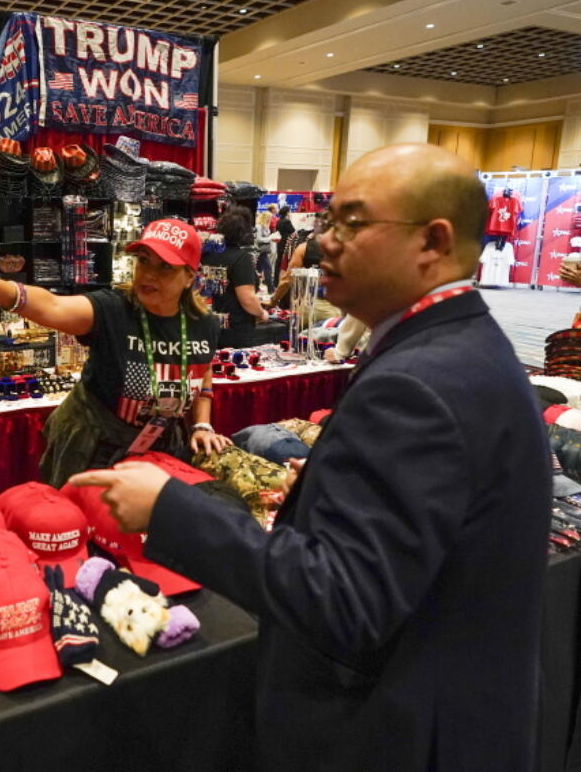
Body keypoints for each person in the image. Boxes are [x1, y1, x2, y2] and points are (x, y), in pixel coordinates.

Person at [69, 143, 551, 772]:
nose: (323, 243)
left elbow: (346, 603)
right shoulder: (457, 347)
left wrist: (170, 510)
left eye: (351, 222)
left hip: (400, 730)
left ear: (432, 243)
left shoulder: (420, 382)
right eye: (328, 222)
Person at [0, 218, 230, 489]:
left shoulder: (203, 324)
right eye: (144, 261)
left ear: (190, 276)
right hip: (93, 448)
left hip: (160, 447)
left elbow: (202, 371)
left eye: (165, 267)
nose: (149, 274)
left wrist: (202, 423)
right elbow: (51, 305)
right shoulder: (112, 310)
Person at [200, 206, 286, 348]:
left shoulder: (209, 255)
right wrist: (262, 313)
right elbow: (247, 298)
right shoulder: (241, 258)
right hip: (237, 328)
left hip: (212, 323)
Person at [272, 205, 294, 274]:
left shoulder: (279, 221)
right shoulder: (287, 221)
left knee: (278, 261)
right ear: (287, 212)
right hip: (286, 244)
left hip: (279, 243)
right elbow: (293, 231)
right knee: (284, 262)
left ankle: (276, 279)